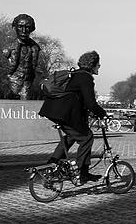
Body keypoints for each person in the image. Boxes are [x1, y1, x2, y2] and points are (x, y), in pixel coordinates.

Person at [38, 51, 108, 184]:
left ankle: (50, 166)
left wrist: (91, 113)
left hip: (56, 111)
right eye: (98, 64)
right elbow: (90, 103)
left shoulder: (75, 75)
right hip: (65, 114)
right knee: (87, 137)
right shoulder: (85, 78)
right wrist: (103, 114)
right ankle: (82, 173)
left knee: (70, 137)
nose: (99, 66)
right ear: (92, 65)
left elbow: (78, 100)